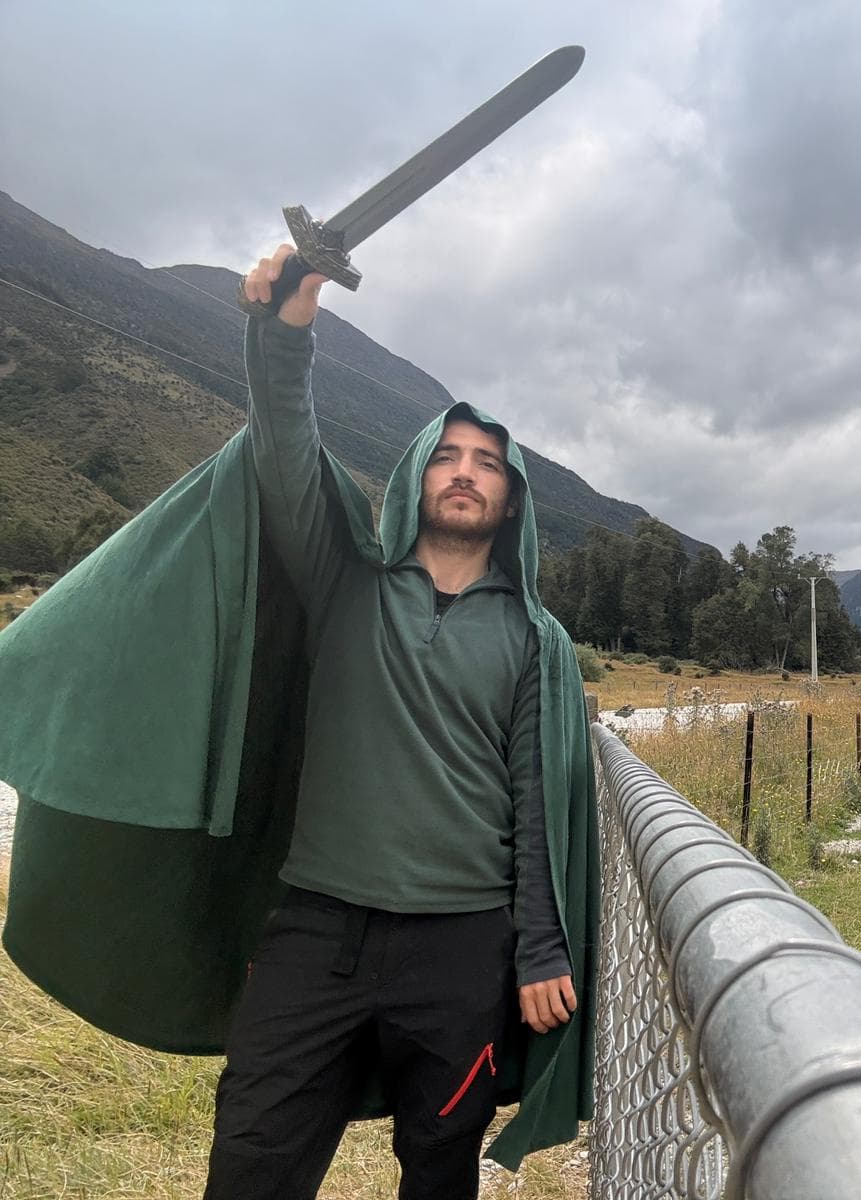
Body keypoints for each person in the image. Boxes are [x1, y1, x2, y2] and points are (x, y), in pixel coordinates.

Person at [192, 245, 576, 1199]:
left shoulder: (533, 637)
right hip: (318, 928)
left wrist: (536, 947)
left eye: (487, 463)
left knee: (439, 1173)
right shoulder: (343, 579)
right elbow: (283, 444)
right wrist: (290, 320)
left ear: (512, 499)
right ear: (413, 476)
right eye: (445, 455)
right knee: (251, 1159)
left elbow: (534, 798)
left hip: (461, 947)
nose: (464, 471)